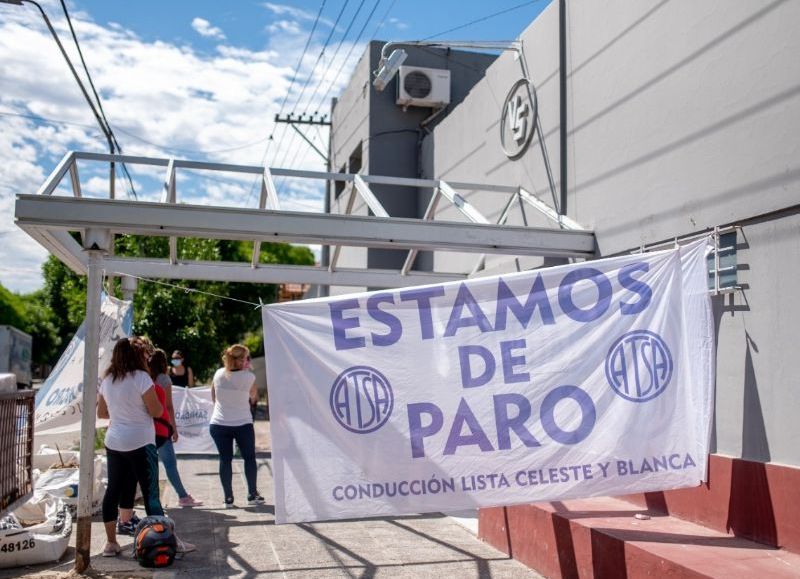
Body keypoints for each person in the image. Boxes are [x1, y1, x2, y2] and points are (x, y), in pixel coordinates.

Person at [97, 337, 166, 557]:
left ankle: (110, 543)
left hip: (114, 442)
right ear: (136, 355)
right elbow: (156, 411)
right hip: (140, 441)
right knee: (150, 492)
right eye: (144, 353)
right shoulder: (141, 377)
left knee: (113, 491)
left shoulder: (108, 379)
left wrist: (121, 411)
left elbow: (101, 413)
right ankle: (162, 539)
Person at [209, 344, 264, 508]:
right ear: (240, 360)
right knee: (249, 458)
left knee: (225, 459)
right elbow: (253, 397)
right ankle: (252, 494)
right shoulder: (249, 377)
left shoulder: (218, 373)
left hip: (219, 423)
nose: (248, 361)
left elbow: (213, 396)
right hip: (242, 423)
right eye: (247, 358)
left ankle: (228, 499)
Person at [148, 349, 203, 508]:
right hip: (161, 426)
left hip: (145, 426)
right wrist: (174, 428)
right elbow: (169, 406)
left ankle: (152, 500)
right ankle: (183, 497)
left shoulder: (144, 378)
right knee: (170, 464)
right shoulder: (164, 379)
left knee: (149, 465)